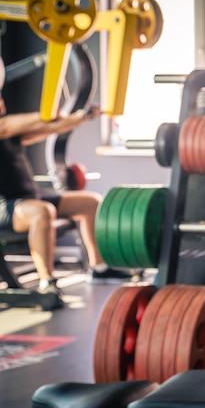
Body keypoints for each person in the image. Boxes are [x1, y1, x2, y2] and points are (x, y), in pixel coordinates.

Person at [0, 58, 133, 295]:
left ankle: (99, 267)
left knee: (91, 203)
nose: (1, 101)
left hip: (30, 199)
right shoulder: (4, 128)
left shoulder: (13, 135)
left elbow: (52, 127)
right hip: (6, 208)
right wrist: (52, 113)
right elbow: (40, 120)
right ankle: (46, 282)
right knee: (43, 212)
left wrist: (83, 116)